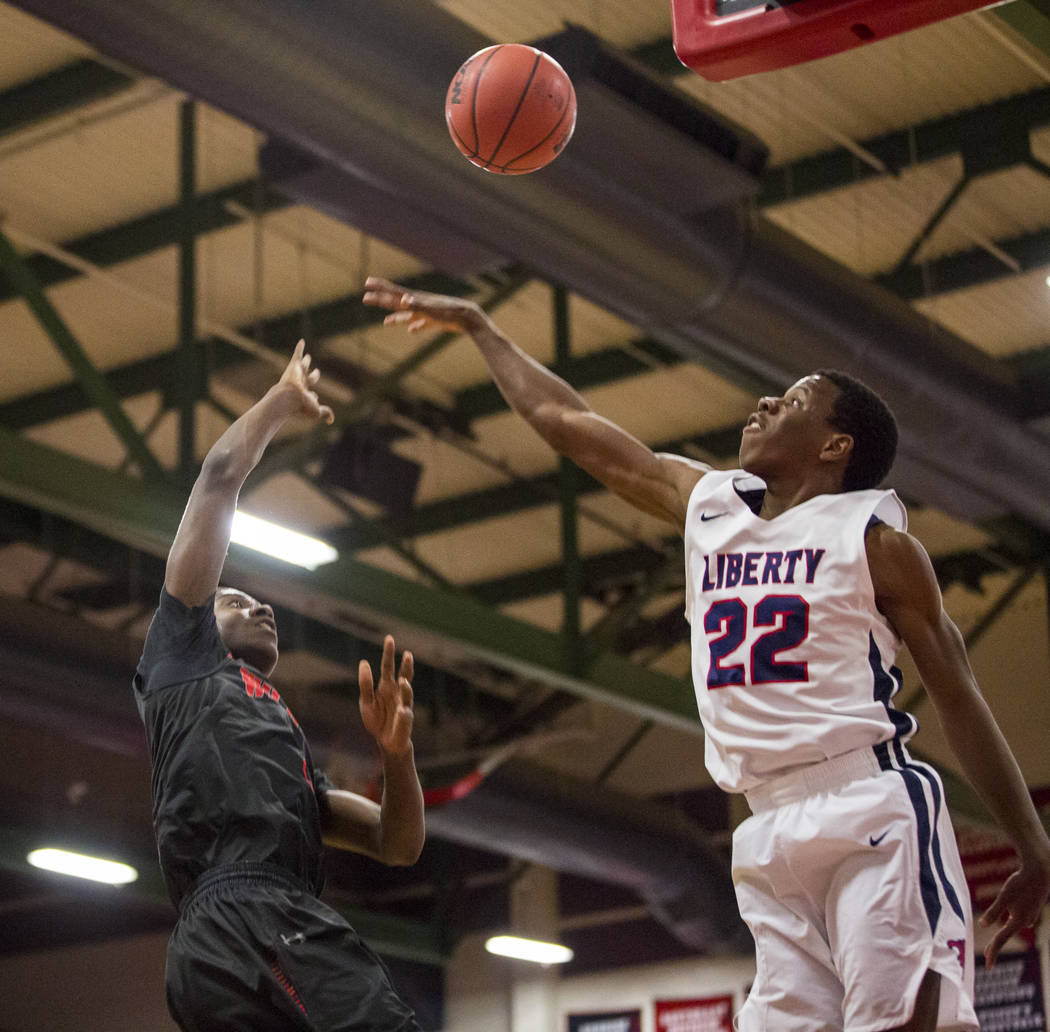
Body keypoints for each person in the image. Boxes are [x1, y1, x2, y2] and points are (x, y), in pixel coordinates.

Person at [363, 277, 1050, 1032]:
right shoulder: (710, 506)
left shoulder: (879, 546)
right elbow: (566, 420)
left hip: (868, 808)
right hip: (765, 827)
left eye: (789, 401)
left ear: (835, 445)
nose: (762, 404)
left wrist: (1030, 840)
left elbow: (958, 696)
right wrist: (481, 329)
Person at [133, 340, 425, 1032]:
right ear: (201, 616)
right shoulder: (182, 656)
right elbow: (218, 478)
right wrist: (281, 402)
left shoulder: (281, 738)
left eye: (260, 604)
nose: (260, 606)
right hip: (255, 917)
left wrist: (396, 754)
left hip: (213, 948)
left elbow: (397, 844)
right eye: (235, 600)